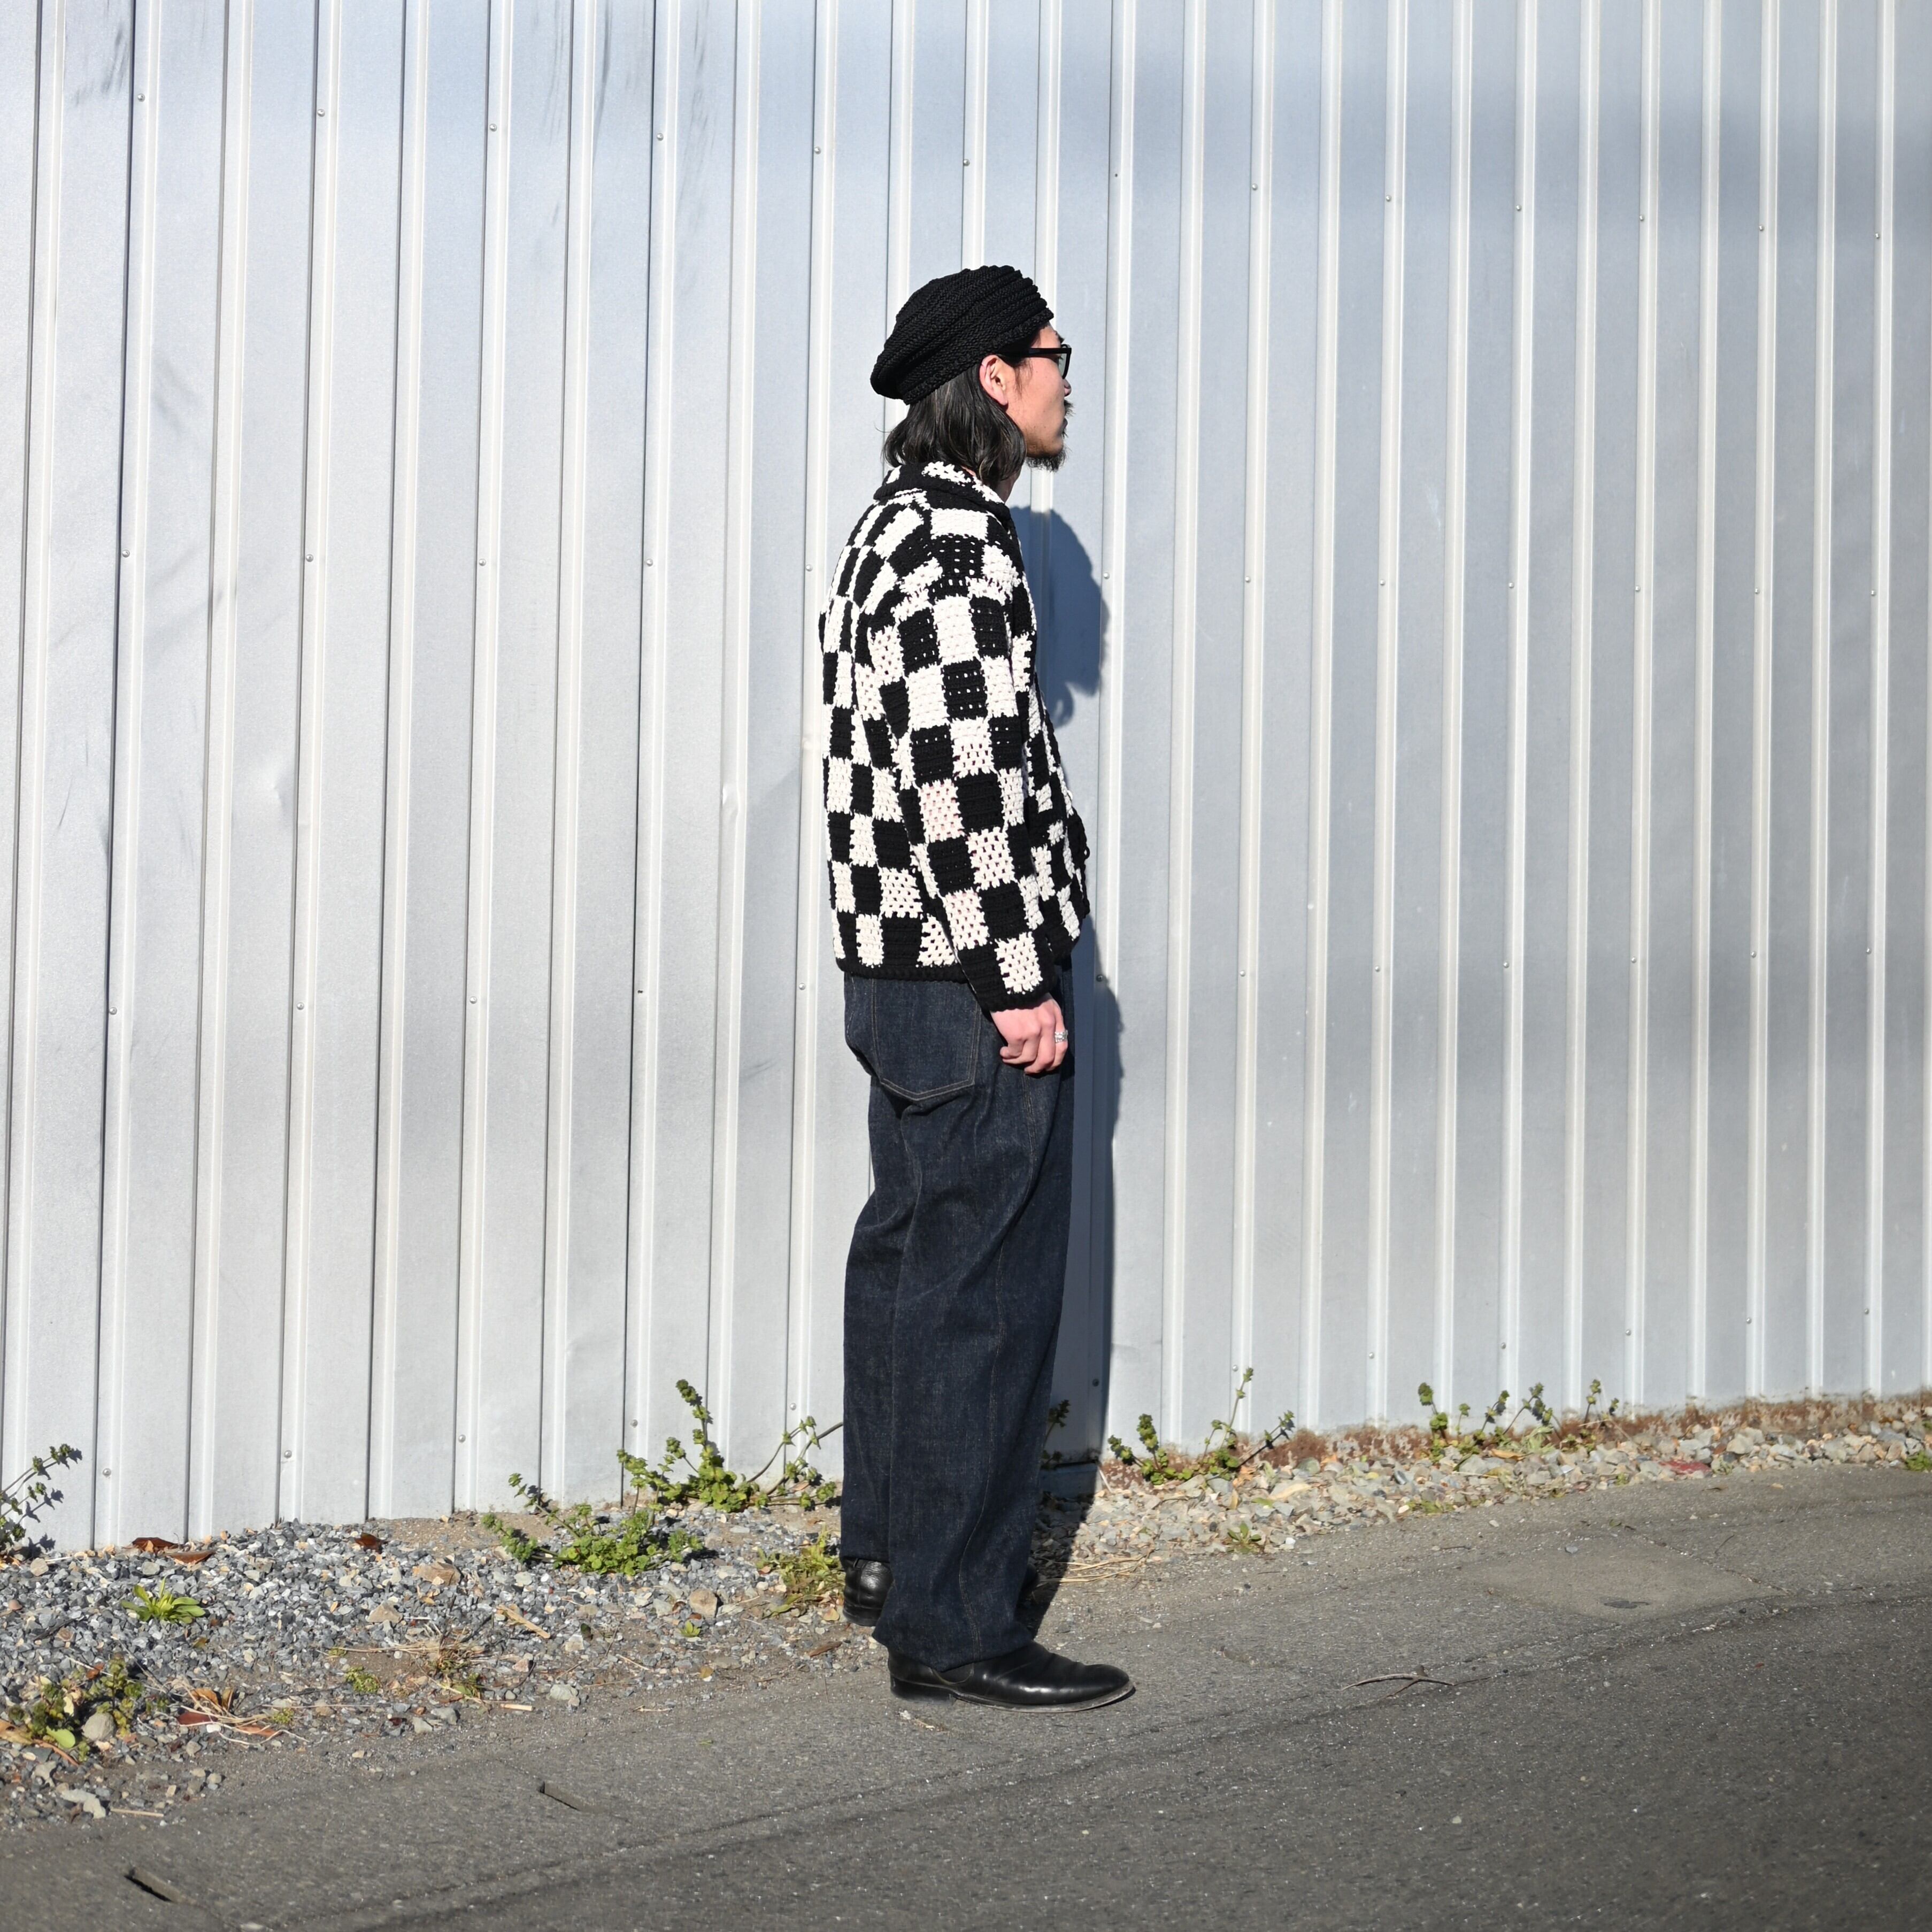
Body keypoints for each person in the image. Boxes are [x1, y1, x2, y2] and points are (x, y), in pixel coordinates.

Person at [819, 264, 1131, 1711]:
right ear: (997, 377)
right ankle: (955, 1629)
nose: (1071, 379)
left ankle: (894, 1560)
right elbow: (966, 786)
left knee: (913, 1267)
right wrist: (1018, 977)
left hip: (902, 972)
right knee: (983, 1297)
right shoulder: (955, 546)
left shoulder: (889, 532)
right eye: (1056, 354)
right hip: (965, 976)